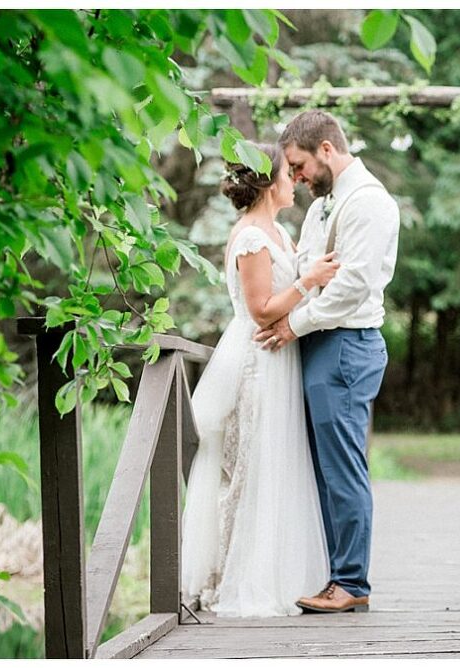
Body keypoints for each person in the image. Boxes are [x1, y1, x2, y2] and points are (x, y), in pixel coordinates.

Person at [180, 143, 340, 617]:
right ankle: (241, 578)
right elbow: (261, 310)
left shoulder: (276, 232)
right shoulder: (251, 237)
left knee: (278, 463)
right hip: (258, 361)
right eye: (290, 174)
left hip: (280, 358)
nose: (296, 181)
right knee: (253, 465)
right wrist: (308, 281)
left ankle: (280, 572)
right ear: (271, 183)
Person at [255, 110, 400, 613]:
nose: (293, 176)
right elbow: (310, 269)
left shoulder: (368, 204)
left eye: (297, 165)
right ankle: (338, 575)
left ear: (326, 150)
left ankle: (352, 582)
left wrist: (291, 324)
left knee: (342, 469)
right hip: (323, 344)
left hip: (345, 344)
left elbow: (355, 286)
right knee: (324, 469)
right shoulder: (325, 203)